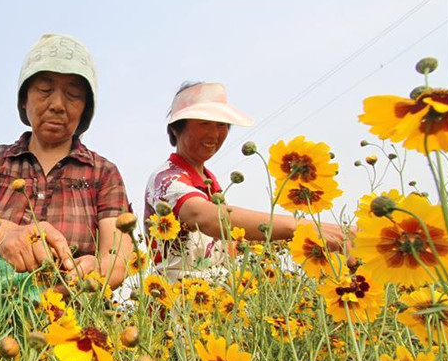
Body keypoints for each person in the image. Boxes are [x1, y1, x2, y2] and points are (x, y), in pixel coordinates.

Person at [0, 34, 133, 348]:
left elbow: (119, 253)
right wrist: (6, 235)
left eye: (73, 95)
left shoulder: (102, 172)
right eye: (44, 90)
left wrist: (98, 269)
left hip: (71, 328)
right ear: (24, 100)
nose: (57, 104)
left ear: (85, 110)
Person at [144, 81, 351, 280]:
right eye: (204, 123)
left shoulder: (210, 185)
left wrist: (292, 241)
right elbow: (202, 216)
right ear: (175, 129)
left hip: (221, 300)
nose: (214, 134)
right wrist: (297, 226)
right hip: (178, 304)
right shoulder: (167, 178)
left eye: (222, 125)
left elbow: (229, 240)